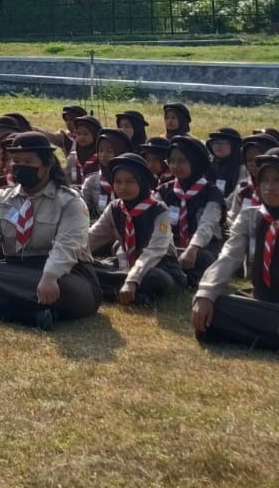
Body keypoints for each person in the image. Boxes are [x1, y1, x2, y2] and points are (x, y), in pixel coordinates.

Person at [0, 131, 100, 330]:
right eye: (16, 161)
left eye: (29, 161)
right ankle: (30, 313)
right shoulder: (2, 198)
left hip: (66, 273)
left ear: (46, 165)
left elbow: (68, 246)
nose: (20, 166)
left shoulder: (69, 201)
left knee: (65, 291)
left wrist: (50, 276)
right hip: (16, 269)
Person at [191, 150, 279, 352]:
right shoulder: (251, 216)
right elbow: (228, 256)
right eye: (264, 180)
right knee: (211, 313)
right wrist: (206, 293)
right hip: (261, 303)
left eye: (277, 180)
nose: (269, 187)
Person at [86, 153, 185, 307]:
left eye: (130, 181)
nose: (122, 187)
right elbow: (93, 236)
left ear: (142, 181)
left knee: (154, 278)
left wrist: (133, 279)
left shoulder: (159, 210)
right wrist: (68, 252)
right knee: (86, 267)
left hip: (157, 265)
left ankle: (112, 288)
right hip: (126, 262)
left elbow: (155, 250)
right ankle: (133, 294)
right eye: (117, 182)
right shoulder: (115, 208)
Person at [163, 135, 226, 283]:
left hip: (203, 248)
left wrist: (192, 248)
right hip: (172, 246)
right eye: (172, 161)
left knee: (202, 259)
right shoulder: (165, 190)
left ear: (195, 162)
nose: (175, 166)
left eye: (182, 161)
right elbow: (157, 222)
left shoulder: (211, 192)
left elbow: (207, 224)